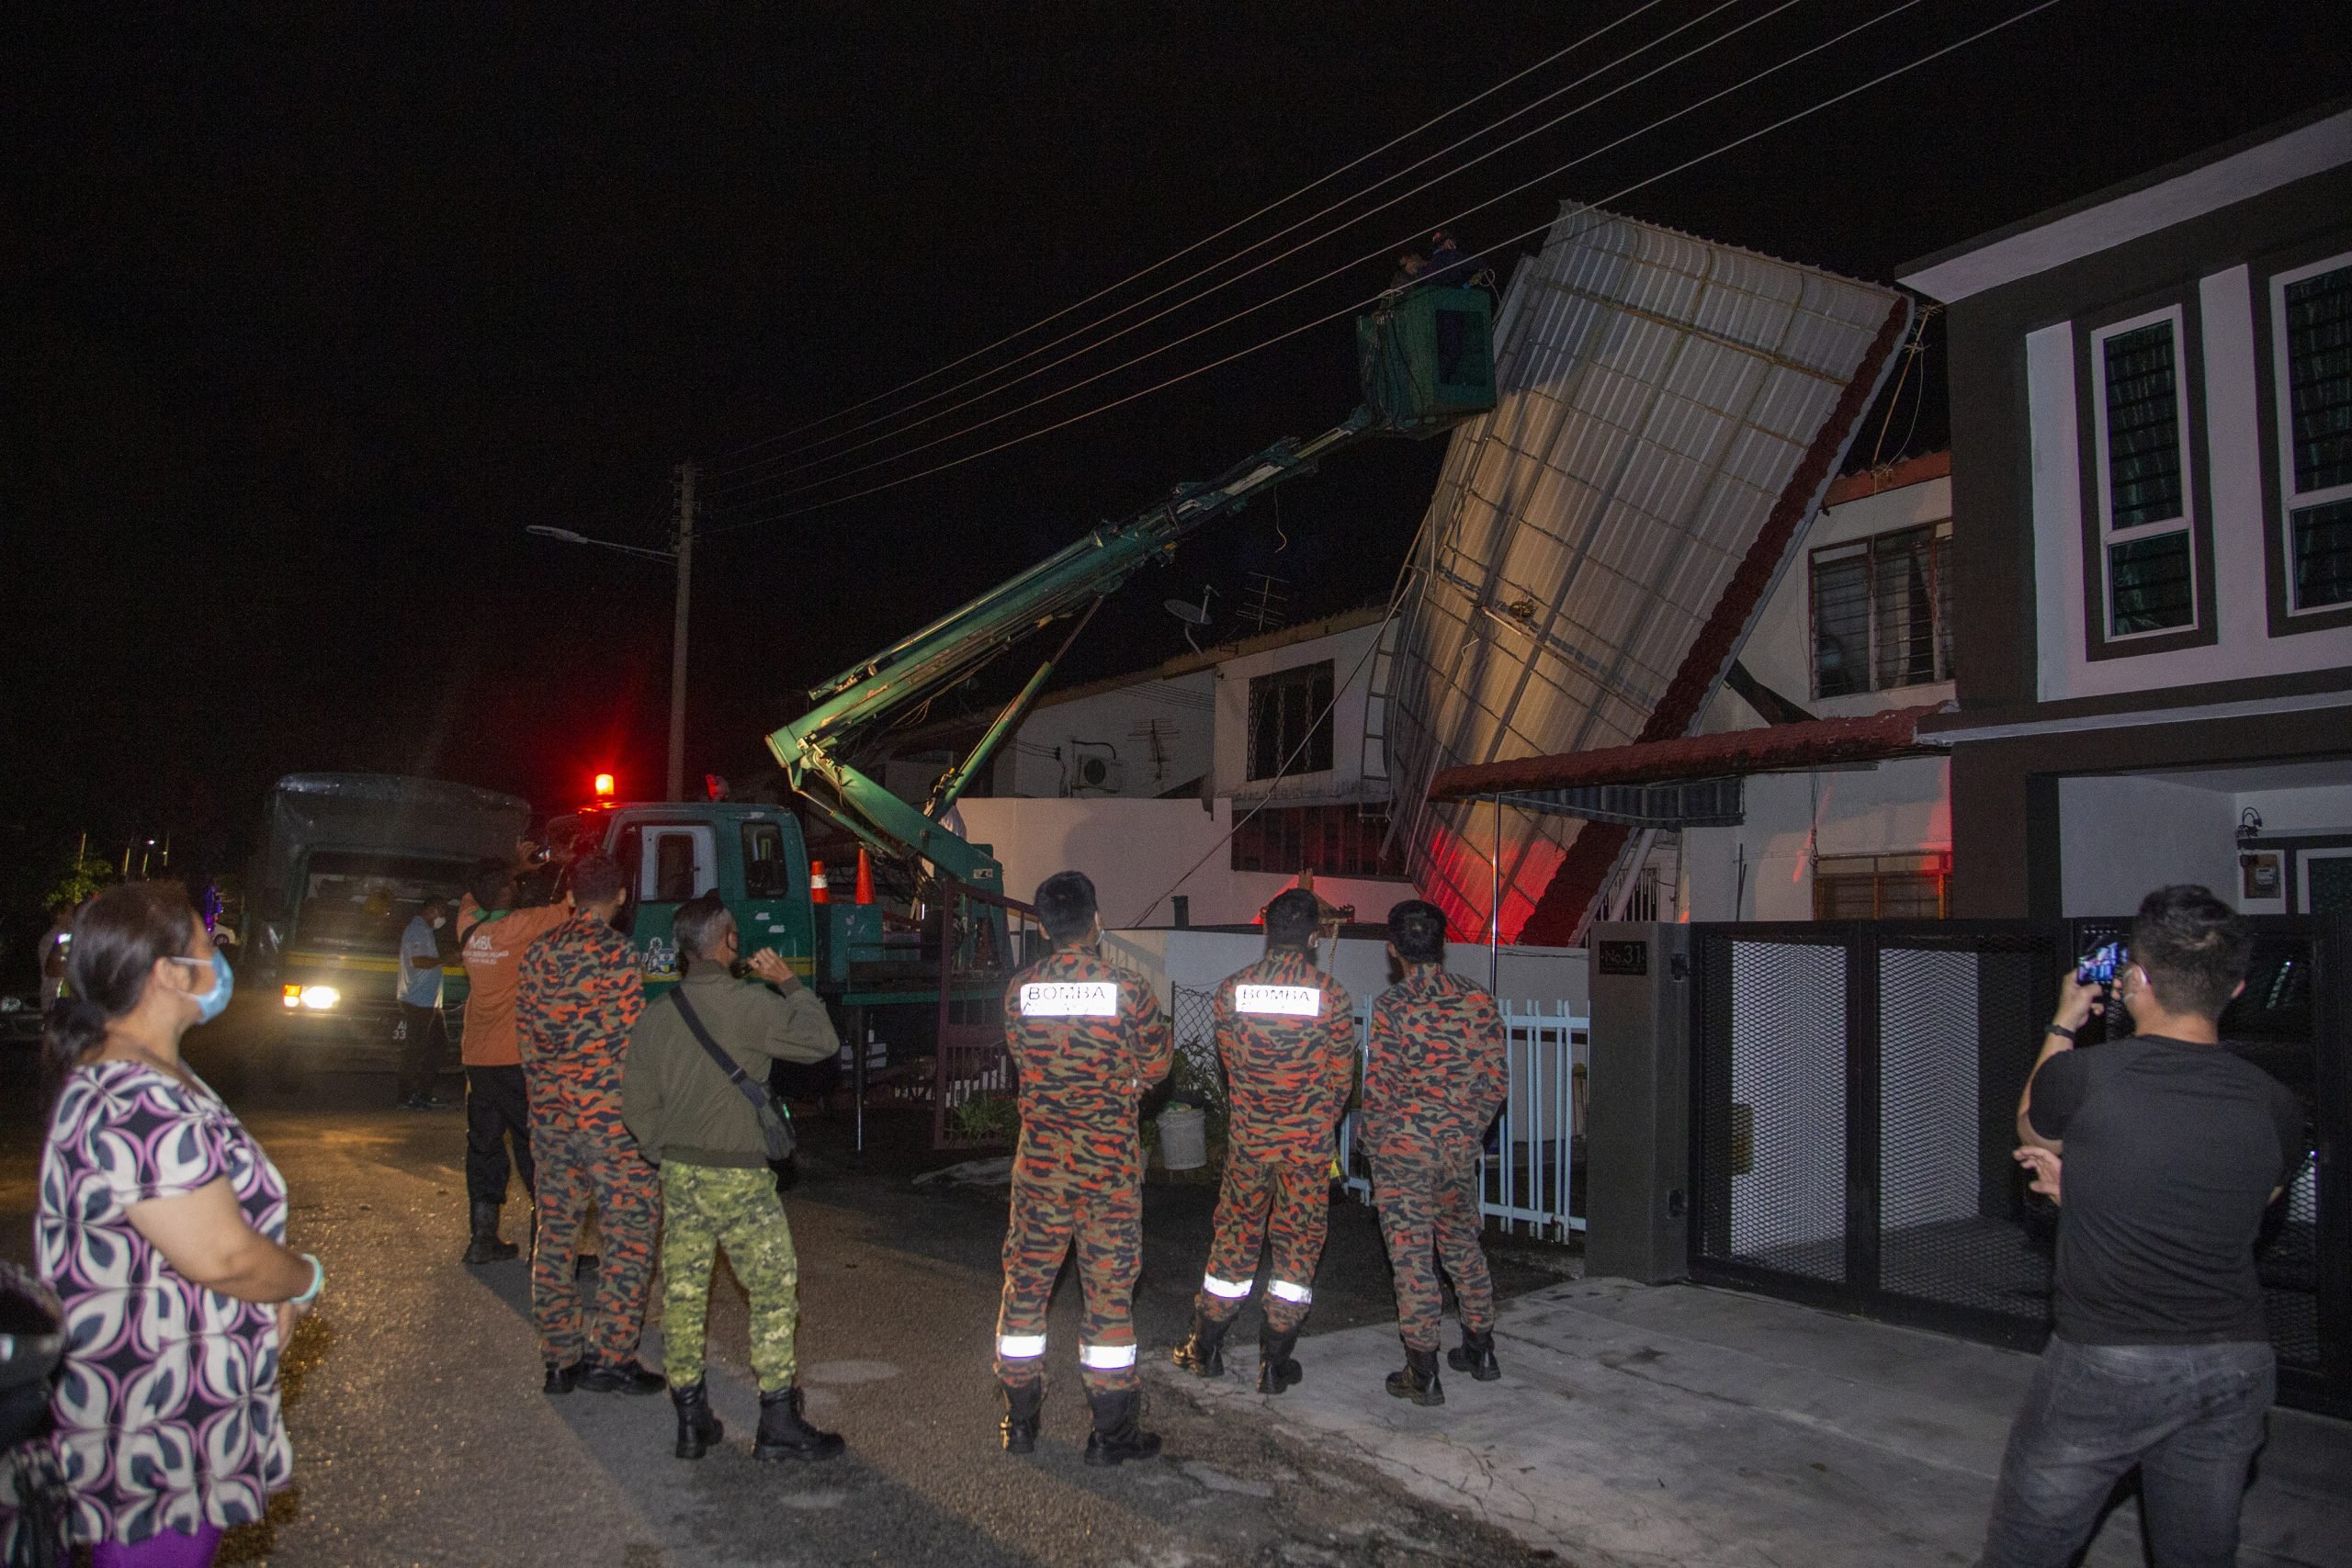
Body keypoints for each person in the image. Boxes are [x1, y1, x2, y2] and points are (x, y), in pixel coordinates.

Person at [1978, 886, 2305, 1568]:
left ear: (2137, 980)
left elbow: (2032, 1124)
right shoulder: (2277, 1104)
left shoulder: (2088, 1075)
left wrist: (2065, 1021)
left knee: (2024, 1552)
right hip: (2235, 1362)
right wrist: (2088, 1196)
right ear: (2238, 985)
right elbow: (2238, 1206)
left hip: (2109, 1358)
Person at [34, 883, 322, 1568]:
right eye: (204, 946)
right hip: (157, 1418)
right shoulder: (135, 1094)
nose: (217, 960)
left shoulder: (148, 1069)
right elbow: (222, 1255)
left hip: (169, 1401)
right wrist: (302, 1278)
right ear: (165, 972)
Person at [622, 893, 844, 1463]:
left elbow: (635, 1103)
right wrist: (788, 982)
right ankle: (776, 1422)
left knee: (684, 1294)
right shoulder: (748, 1005)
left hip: (680, 1173)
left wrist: (661, 1150)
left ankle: (691, 1419)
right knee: (772, 1291)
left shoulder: (658, 1013)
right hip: (739, 1178)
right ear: (727, 945)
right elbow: (822, 1042)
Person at [993, 871, 1173, 1464]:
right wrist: (1124, 1084)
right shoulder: (1128, 987)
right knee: (1110, 1297)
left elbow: (1023, 1058)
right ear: (1096, 920)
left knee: (1025, 1293)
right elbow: (1157, 1063)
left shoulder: (1020, 990)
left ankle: (1019, 1422)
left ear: (1044, 927)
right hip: (1107, 1174)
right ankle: (1111, 1434)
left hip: (1041, 1170)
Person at [1171, 887, 1355, 1393]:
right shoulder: (1332, 997)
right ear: (1315, 937)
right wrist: (1312, 1120)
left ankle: (1204, 1347)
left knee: (1234, 1241)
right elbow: (1342, 1082)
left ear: (1266, 929)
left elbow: (1230, 1065)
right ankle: (1275, 1362)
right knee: (1296, 1254)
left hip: (1251, 1143)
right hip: (1307, 1148)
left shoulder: (1232, 991)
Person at [516, 853, 661, 1396]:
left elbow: (526, 1039)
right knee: (629, 1233)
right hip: (607, 1123)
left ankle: (559, 1360)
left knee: (555, 1235)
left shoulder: (537, 954)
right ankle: (611, 1356)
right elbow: (629, 1043)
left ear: (571, 896)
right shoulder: (617, 954)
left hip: (551, 1121)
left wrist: (546, 1101)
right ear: (620, 897)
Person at [1363, 898, 1506, 1406]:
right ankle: (1480, 1349)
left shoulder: (1393, 1007)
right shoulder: (1478, 1000)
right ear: (1444, 944)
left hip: (1403, 1155)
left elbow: (1378, 1091)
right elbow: (1495, 1083)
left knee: (1412, 1260)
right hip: (1456, 1154)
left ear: (1393, 949)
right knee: (1463, 1248)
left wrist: (1371, 1145)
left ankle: (1421, 1371)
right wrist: (1465, 1134)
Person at [454, 864, 572, 1264]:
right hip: (517, 1059)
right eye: (511, 885)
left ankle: (482, 1239)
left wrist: (518, 867)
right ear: (505, 891)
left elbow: (474, 891)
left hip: (477, 1058)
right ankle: (547, 1247)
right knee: (535, 1146)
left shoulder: (466, 922)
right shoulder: (523, 925)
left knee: (484, 1144)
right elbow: (571, 906)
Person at [394, 895, 453, 1110]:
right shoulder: (417, 929)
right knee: (416, 1050)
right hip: (418, 1001)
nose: (444, 917)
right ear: (432, 910)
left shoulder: (426, 931)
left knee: (437, 1048)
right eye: (443, 912)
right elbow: (419, 961)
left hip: (430, 1003)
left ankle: (423, 1094)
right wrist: (446, 959)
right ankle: (406, 1097)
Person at [37, 901, 73, 1012]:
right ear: (59, 915)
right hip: (55, 998)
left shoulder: (68, 935)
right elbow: (52, 969)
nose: (73, 917)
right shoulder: (53, 938)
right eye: (70, 913)